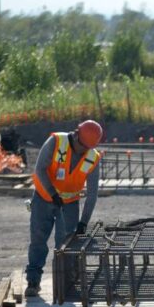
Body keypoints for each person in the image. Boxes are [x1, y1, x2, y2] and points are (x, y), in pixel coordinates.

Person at [25, 120, 102, 297]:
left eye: (88, 148)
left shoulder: (93, 157)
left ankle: (66, 283)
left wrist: (84, 222)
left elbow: (92, 194)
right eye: (82, 146)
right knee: (38, 240)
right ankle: (33, 281)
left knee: (66, 245)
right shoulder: (57, 142)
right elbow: (40, 169)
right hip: (44, 199)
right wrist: (52, 194)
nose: (84, 151)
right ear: (75, 135)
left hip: (69, 205)